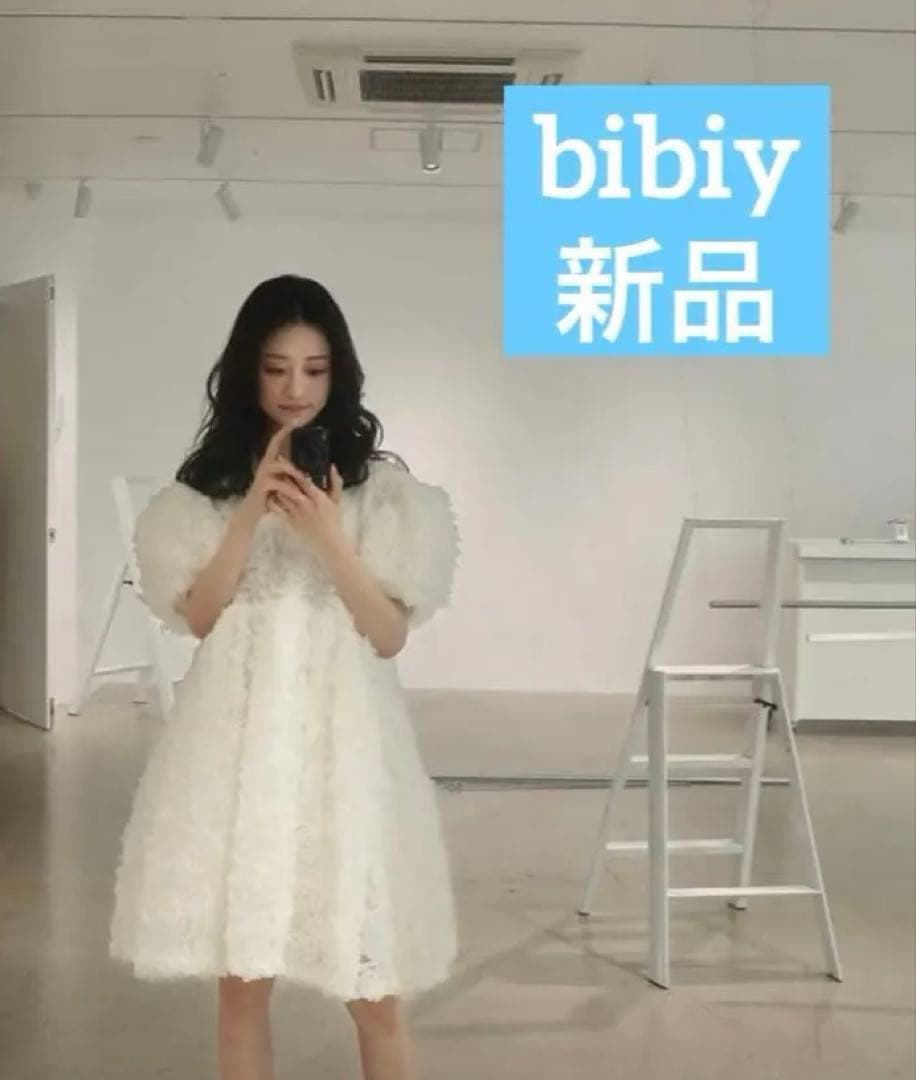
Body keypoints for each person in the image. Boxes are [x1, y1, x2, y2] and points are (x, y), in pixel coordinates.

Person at [109, 274, 461, 1080]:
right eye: (275, 369)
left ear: (340, 374)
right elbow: (201, 616)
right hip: (238, 745)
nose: (295, 389)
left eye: (314, 369)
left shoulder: (384, 497)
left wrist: (329, 536)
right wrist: (249, 514)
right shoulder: (201, 496)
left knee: (374, 989)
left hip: (346, 747)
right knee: (242, 984)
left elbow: (388, 635)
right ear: (247, 373)